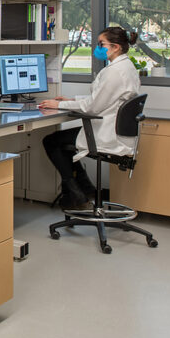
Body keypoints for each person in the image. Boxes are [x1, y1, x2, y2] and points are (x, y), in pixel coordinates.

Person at [38, 27, 142, 210]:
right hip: (115, 131)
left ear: (116, 47)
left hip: (106, 133)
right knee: (62, 143)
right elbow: (103, 99)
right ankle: (84, 189)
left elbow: (92, 107)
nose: (98, 48)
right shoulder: (127, 67)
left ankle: (77, 193)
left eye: (101, 44)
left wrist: (58, 105)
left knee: (52, 141)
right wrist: (72, 100)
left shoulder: (114, 72)